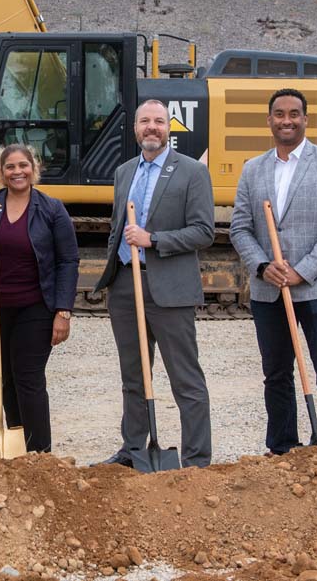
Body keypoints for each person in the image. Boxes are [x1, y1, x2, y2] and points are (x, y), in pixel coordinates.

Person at [229, 87, 317, 455]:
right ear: (269, 120)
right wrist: (262, 266)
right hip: (269, 291)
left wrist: (301, 272)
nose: (287, 120)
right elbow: (240, 228)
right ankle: (283, 447)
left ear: (305, 119)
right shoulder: (253, 169)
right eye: (280, 114)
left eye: (294, 114)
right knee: (277, 374)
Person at [94, 99, 215, 468]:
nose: (152, 127)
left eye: (159, 121)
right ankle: (133, 449)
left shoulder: (192, 172)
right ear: (135, 128)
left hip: (170, 288)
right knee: (133, 375)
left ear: (168, 128)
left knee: (185, 378)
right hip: (125, 286)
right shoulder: (124, 172)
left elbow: (203, 231)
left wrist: (154, 240)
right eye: (145, 121)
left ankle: (196, 460)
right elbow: (118, 227)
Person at [0, 144, 78, 452]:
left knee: (28, 377)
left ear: (34, 169)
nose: (17, 171)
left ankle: (40, 453)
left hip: (34, 308)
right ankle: (17, 448)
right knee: (5, 378)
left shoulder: (51, 209)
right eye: (10, 166)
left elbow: (68, 261)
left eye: (23, 165)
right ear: (1, 172)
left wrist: (63, 311)